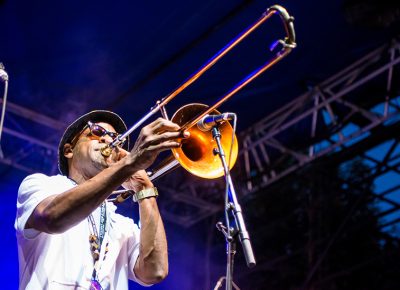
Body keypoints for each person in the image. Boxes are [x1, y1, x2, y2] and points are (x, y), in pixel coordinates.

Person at [14, 110, 189, 289]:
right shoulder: (40, 184)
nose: (108, 140)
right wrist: (130, 163)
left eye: (115, 138)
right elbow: (51, 219)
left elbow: (155, 271)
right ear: (69, 150)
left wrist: (145, 189)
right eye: (96, 132)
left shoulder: (122, 224)